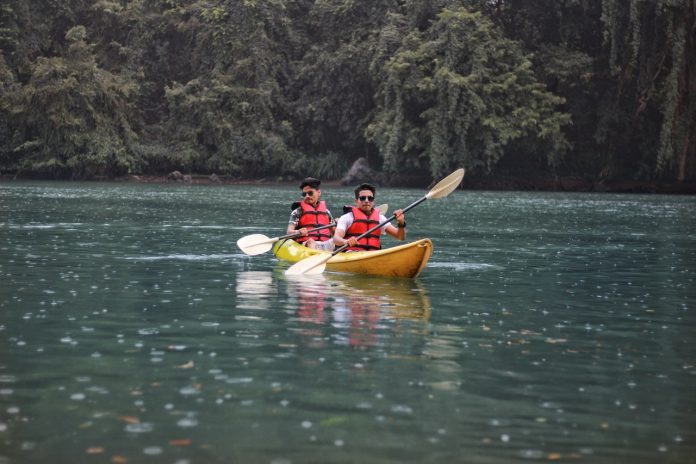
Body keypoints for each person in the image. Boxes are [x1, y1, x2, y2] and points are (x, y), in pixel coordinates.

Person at [333, 183, 405, 251]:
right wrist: (346, 241)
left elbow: (400, 236)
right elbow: (336, 239)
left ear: (373, 201)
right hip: (351, 255)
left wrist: (401, 223)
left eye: (370, 198)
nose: (367, 201)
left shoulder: (380, 218)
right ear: (356, 201)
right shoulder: (347, 218)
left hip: (373, 255)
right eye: (362, 198)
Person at [287, 177, 335, 251]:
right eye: (304, 194)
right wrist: (298, 232)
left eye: (310, 193)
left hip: (325, 244)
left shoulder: (326, 212)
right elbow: (289, 232)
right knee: (311, 241)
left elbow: (335, 233)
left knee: (336, 241)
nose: (307, 196)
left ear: (319, 192)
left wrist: (339, 224)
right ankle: (315, 257)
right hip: (307, 244)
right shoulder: (297, 212)